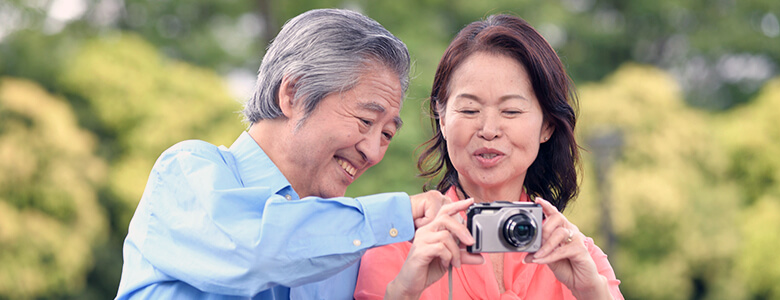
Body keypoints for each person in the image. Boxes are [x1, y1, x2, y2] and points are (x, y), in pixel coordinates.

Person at [115, 8, 474, 300]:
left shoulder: (344, 250)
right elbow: (260, 250)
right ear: (293, 94)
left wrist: (401, 294)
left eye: (387, 134)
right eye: (365, 120)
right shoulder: (186, 173)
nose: (373, 151)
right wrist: (402, 212)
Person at [354, 14, 624, 299]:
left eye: (511, 111)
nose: (489, 130)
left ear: (547, 126)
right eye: (470, 110)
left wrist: (591, 292)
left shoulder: (579, 257)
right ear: (442, 118)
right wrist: (404, 292)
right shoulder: (397, 246)